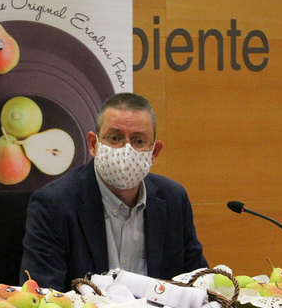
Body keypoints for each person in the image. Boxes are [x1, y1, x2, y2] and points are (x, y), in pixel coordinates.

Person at [19, 93, 208, 292]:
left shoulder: (173, 199)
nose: (126, 150)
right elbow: (43, 295)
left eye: (139, 141)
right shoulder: (53, 204)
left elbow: (198, 285)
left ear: (154, 152)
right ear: (93, 144)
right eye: (115, 138)